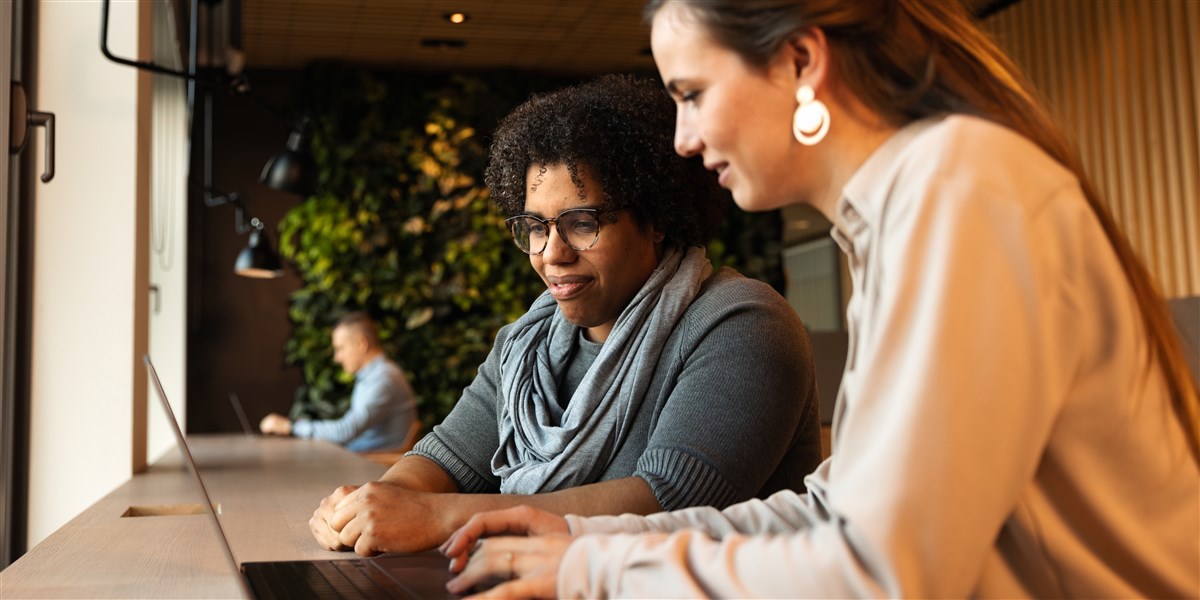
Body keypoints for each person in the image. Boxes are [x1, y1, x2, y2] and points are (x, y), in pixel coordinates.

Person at [440, 1, 1200, 598]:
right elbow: (829, 512)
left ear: (802, 60)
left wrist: (593, 574)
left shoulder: (954, 187)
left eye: (694, 94)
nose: (681, 138)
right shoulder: (905, 206)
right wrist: (582, 541)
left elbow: (884, 572)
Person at [307, 74, 824, 557]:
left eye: (581, 222)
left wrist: (440, 516)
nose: (550, 252)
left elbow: (669, 505)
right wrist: (374, 503)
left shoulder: (742, 324)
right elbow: (445, 458)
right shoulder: (525, 348)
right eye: (535, 226)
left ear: (658, 220)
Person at [260, 311, 417, 452]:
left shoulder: (384, 378)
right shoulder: (373, 376)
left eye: (340, 348)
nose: (337, 358)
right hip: (363, 459)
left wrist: (290, 427)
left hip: (373, 465)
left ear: (361, 344)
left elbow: (345, 431)